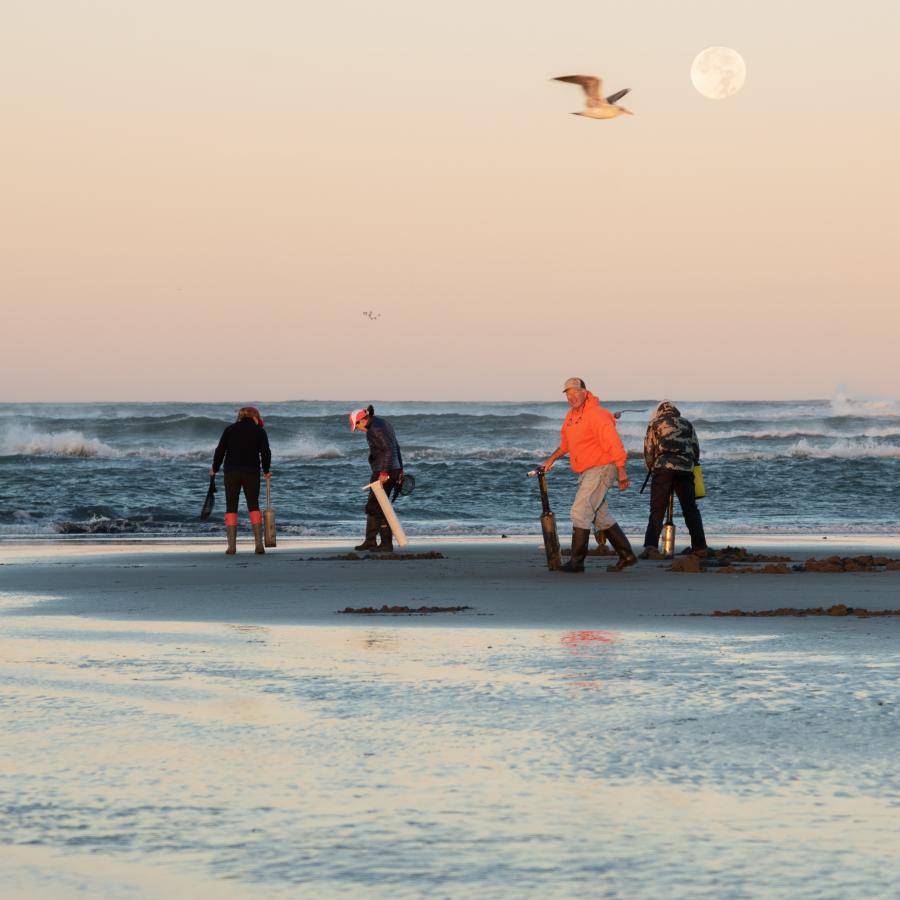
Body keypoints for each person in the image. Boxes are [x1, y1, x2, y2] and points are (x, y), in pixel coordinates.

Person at [542, 378, 637, 573]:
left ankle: (577, 562)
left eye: (576, 392)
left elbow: (614, 444)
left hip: (602, 467)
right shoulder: (571, 417)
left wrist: (621, 470)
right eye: (568, 393)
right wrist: (550, 460)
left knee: (580, 511)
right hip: (587, 470)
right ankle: (627, 555)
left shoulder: (597, 415)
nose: (572, 396)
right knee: (601, 517)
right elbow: (566, 445)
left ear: (586, 392)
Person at [640, 401, 708, 559]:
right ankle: (700, 547)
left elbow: (649, 449)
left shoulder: (655, 423)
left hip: (663, 468)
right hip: (686, 469)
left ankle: (651, 547)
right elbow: (695, 450)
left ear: (659, 411)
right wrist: (691, 465)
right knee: (690, 509)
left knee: (657, 509)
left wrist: (651, 467)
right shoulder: (687, 424)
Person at [209, 406, 271, 555]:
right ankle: (258, 545)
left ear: (240, 416)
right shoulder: (259, 431)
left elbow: (220, 450)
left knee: (231, 506)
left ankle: (231, 547)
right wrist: (266, 470)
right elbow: (265, 452)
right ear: (255, 417)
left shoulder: (229, 429)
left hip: (231, 472)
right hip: (251, 472)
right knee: (253, 505)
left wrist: (215, 468)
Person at [349, 404, 403, 553]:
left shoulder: (374, 430)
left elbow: (388, 449)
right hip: (392, 469)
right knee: (374, 506)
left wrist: (384, 473)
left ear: (362, 420)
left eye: (357, 426)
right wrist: (401, 468)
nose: (358, 429)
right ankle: (370, 541)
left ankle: (385, 543)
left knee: (378, 507)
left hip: (384, 471)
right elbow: (396, 446)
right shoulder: (383, 423)